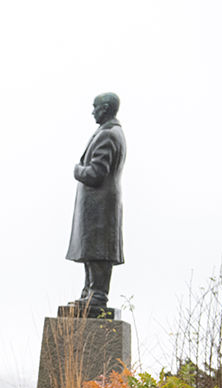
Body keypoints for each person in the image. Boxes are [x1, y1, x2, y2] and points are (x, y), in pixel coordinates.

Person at [66, 92, 126, 308]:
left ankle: (97, 294)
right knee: (92, 250)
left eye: (95, 107)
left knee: (98, 250)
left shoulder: (108, 134)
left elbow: (96, 173)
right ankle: (89, 292)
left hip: (100, 206)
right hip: (98, 205)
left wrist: (77, 170)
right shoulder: (108, 132)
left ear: (106, 107)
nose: (92, 111)